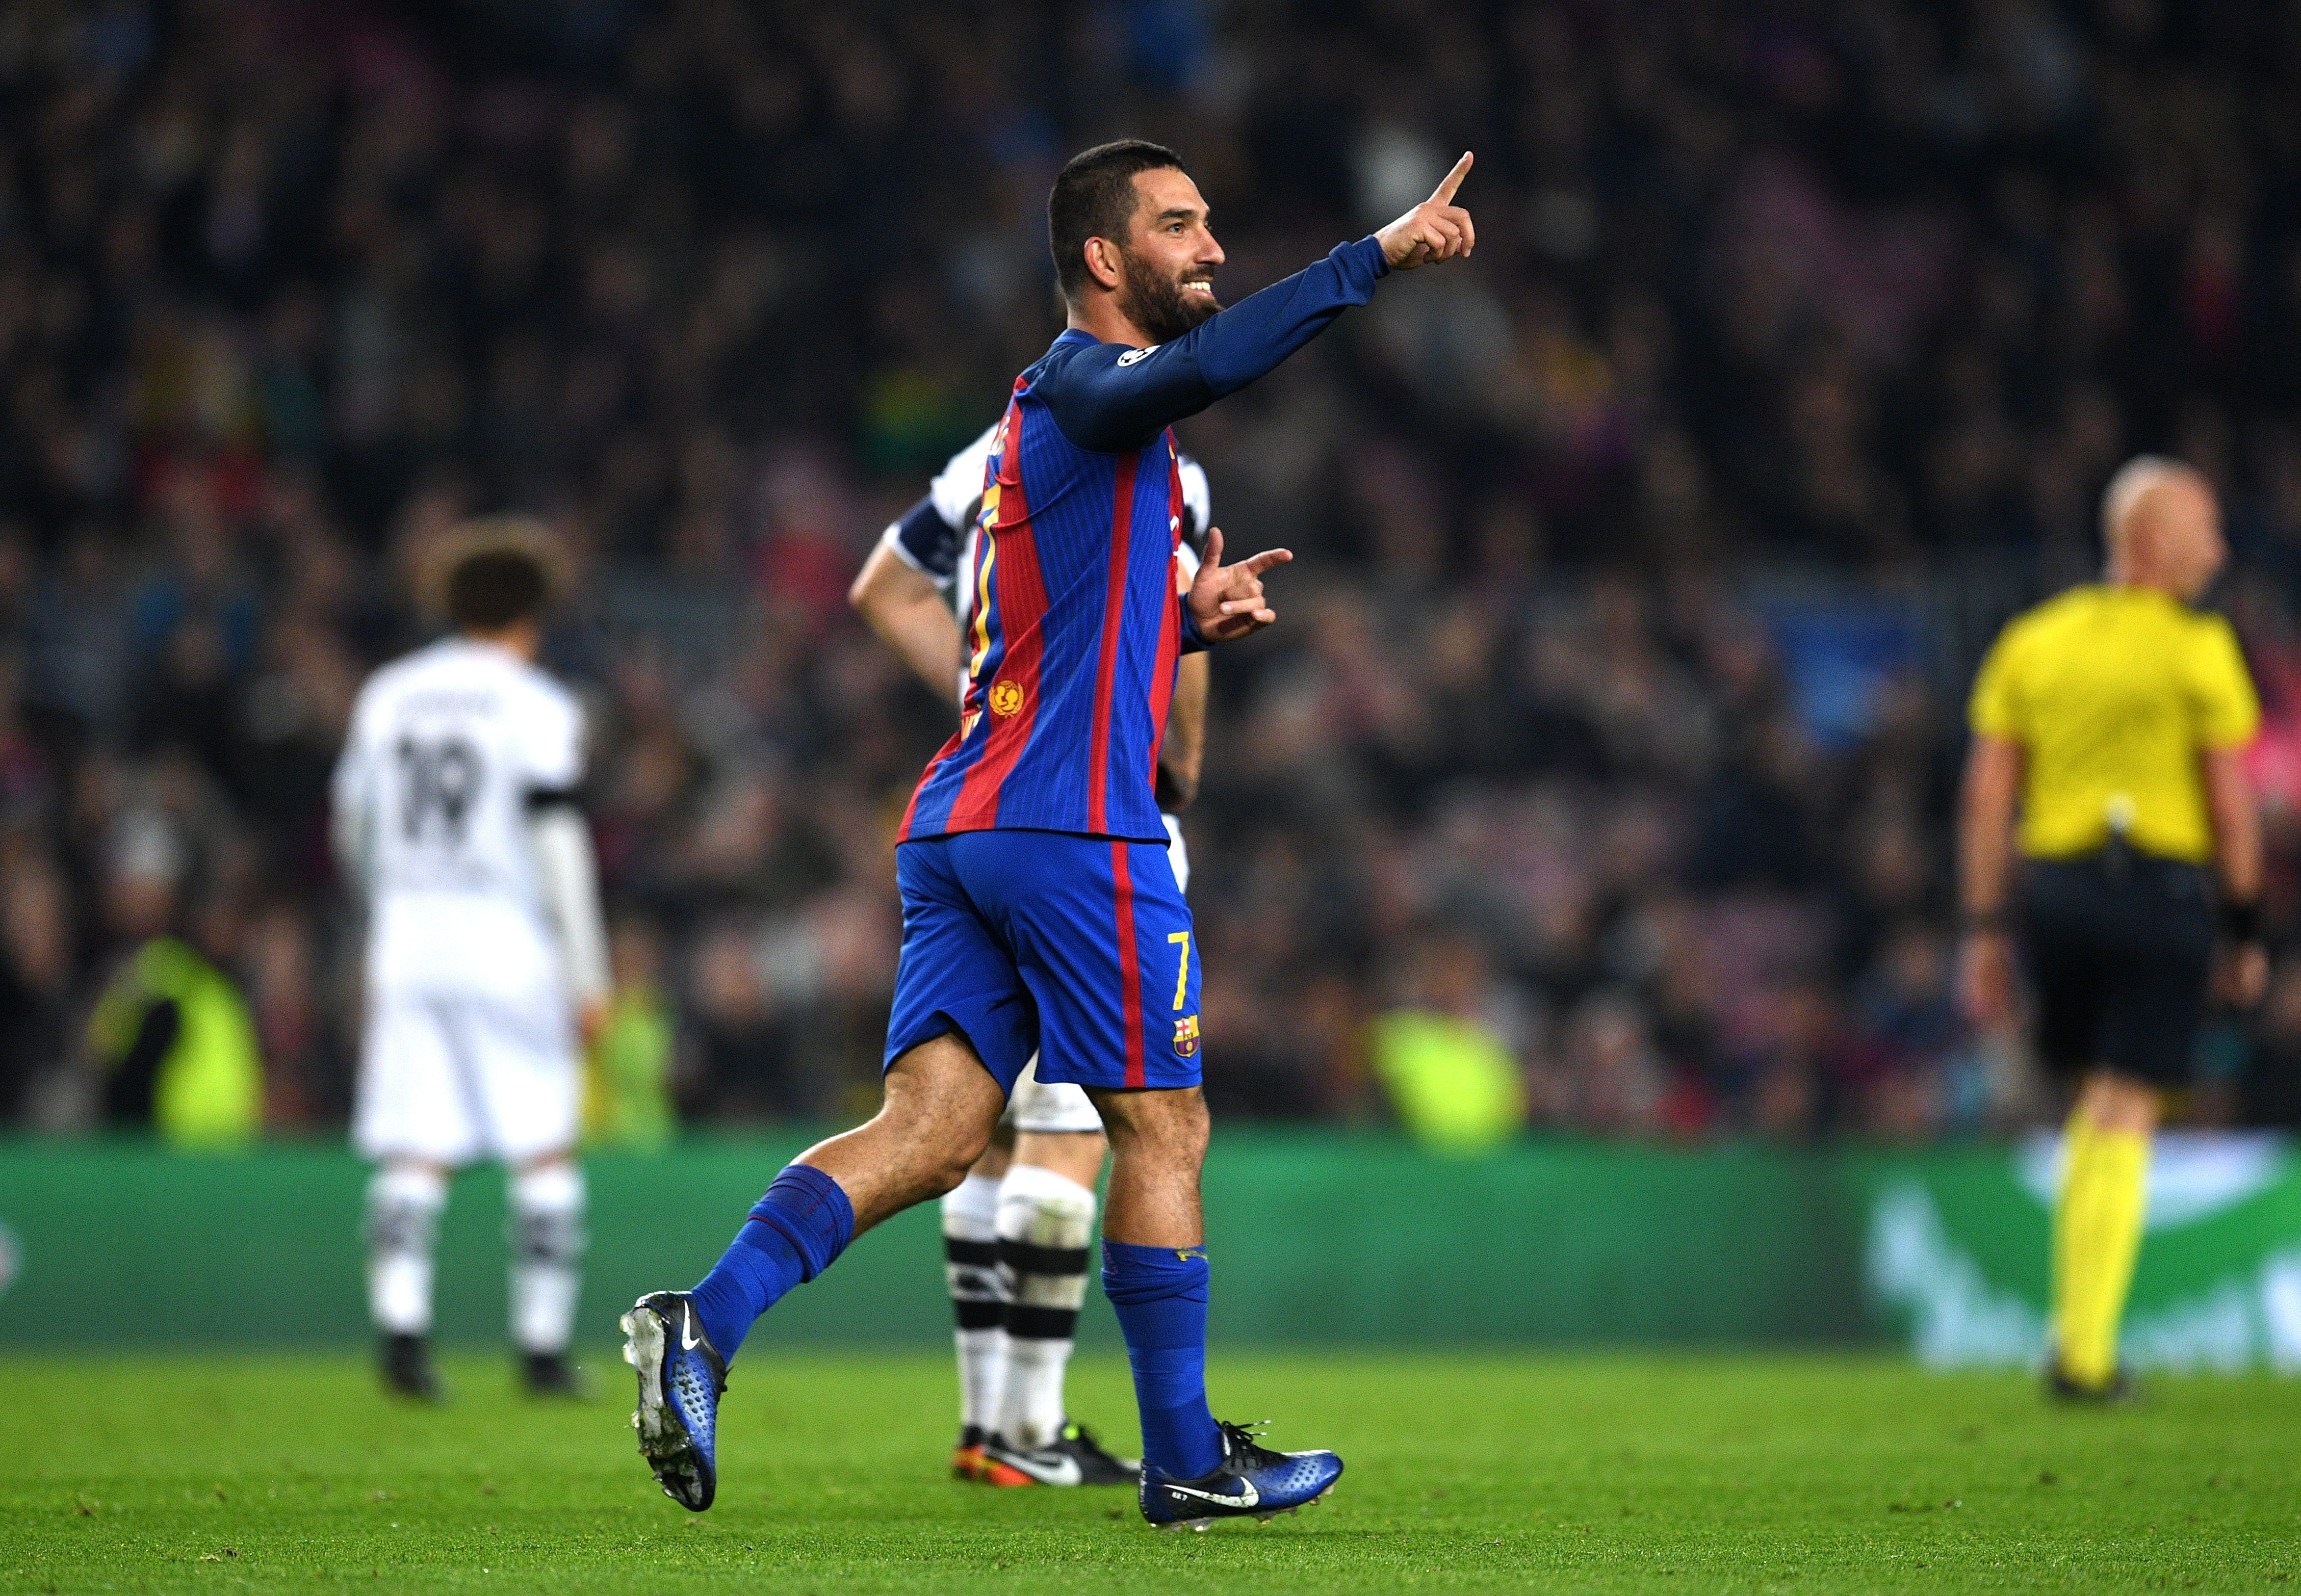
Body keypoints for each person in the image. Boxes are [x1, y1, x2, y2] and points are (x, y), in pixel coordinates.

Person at [621, 137, 1476, 1527]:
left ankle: (701, 1324)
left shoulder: (1061, 435)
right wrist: (1372, 256)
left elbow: (1040, 621)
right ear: (1103, 257)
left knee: (935, 1131)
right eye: (1182, 227)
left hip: (965, 820)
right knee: (1164, 1121)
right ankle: (1187, 1454)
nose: (1209, 248)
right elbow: (1206, 366)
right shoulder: (1090, 384)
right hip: (1080, 827)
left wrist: (1186, 617)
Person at [849, 421, 1216, 1486]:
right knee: (1074, 1140)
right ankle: (1032, 1429)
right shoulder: (1155, 465)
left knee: (984, 1130)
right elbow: (1175, 623)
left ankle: (984, 1423)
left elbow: (883, 586)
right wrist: (1178, 758)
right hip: (1088, 819)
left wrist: (989, 714)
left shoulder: (983, 460)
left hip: (974, 804)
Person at [1959, 456, 2269, 1401]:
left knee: (2094, 1107)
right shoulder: (2196, 649)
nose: (2217, 548)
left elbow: (1986, 792)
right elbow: (2231, 801)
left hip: (2053, 896)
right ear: (2150, 542)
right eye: (2203, 527)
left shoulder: (2034, 641)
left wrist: (1981, 927)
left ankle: (2075, 1333)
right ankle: (2084, 1355)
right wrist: (2248, 927)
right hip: (2157, 897)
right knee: (2126, 1108)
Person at [332, 529, 611, 1399]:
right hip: (506, 940)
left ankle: (403, 1339)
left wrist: (388, 912)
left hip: (409, 939)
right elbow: (558, 842)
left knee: (415, 1148)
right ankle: (539, 1351)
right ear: (531, 612)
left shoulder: (389, 695)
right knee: (544, 1147)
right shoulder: (535, 704)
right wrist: (589, 973)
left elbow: (352, 828)